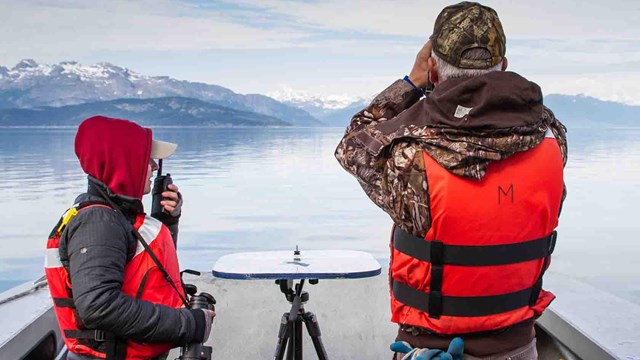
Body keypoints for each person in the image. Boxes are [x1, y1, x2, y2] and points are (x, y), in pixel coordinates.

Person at [335, 2, 567, 359]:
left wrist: (411, 83)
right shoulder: (553, 142)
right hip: (519, 347)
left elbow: (353, 144)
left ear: (434, 70)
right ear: (503, 66)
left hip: (428, 349)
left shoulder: (409, 160)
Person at [45, 116, 215, 359]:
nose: (155, 167)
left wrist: (167, 221)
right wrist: (188, 324)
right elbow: (99, 306)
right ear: (124, 162)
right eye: (148, 159)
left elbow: (142, 272)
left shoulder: (115, 216)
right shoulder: (99, 223)